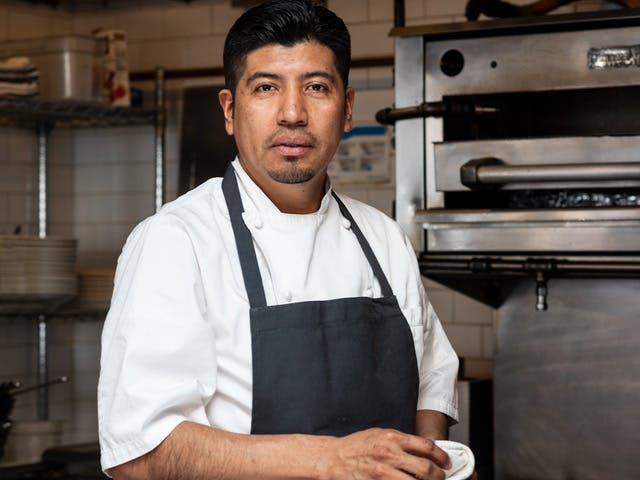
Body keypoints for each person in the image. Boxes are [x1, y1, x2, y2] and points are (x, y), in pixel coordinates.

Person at [98, 1, 462, 479]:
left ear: (347, 108)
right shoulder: (175, 241)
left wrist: (423, 464)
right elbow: (141, 455)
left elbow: (432, 382)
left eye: (316, 87)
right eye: (266, 87)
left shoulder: (383, 236)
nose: (293, 114)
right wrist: (330, 461)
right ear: (230, 110)